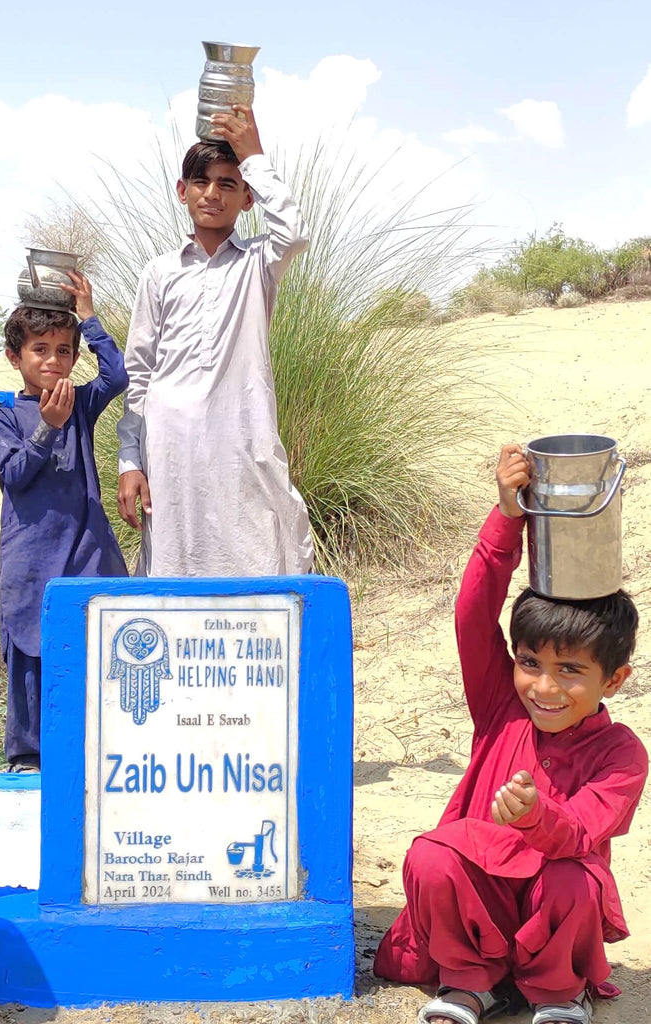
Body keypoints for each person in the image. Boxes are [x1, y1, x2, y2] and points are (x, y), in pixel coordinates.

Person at [374, 444, 646, 1024]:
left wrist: (534, 816)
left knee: (575, 878)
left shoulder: (622, 754)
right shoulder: (502, 706)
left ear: (615, 680)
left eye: (571, 671)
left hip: (554, 911)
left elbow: (579, 833)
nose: (544, 687)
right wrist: (507, 516)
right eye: (530, 663)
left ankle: (557, 990)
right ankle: (472, 983)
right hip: (484, 907)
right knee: (431, 857)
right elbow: (474, 614)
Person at [115, 103, 313, 577]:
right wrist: (129, 460)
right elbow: (139, 373)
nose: (213, 194)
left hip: (242, 437)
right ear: (182, 192)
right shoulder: (159, 272)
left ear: (247, 198)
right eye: (201, 183)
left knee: (257, 551)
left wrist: (254, 157)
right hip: (169, 447)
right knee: (174, 563)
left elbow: (296, 232)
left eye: (228, 184)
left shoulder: (258, 262)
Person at [0, 271, 128, 771]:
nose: (53, 361)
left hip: (89, 554)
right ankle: (29, 761)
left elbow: (116, 376)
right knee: (32, 658)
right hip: (30, 559)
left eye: (64, 351)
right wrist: (46, 431)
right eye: (40, 349)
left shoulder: (81, 404)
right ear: (15, 357)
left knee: (97, 658)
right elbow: (16, 475)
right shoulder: (2, 411)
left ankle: (98, 756)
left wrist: (88, 317)